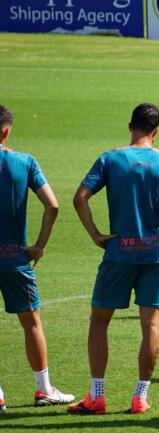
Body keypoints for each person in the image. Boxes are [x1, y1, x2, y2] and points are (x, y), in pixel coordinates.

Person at [69, 103, 159, 415]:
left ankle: (97, 396)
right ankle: (140, 397)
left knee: (99, 321)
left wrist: (95, 234)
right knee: (151, 324)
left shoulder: (110, 158)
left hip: (119, 252)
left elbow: (79, 198)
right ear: (156, 132)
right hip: (154, 253)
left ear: (130, 126)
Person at [0, 105, 74, 412]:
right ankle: (43, 390)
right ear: (6, 131)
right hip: (15, 258)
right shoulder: (24, 162)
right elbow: (53, 205)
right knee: (31, 323)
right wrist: (39, 246)